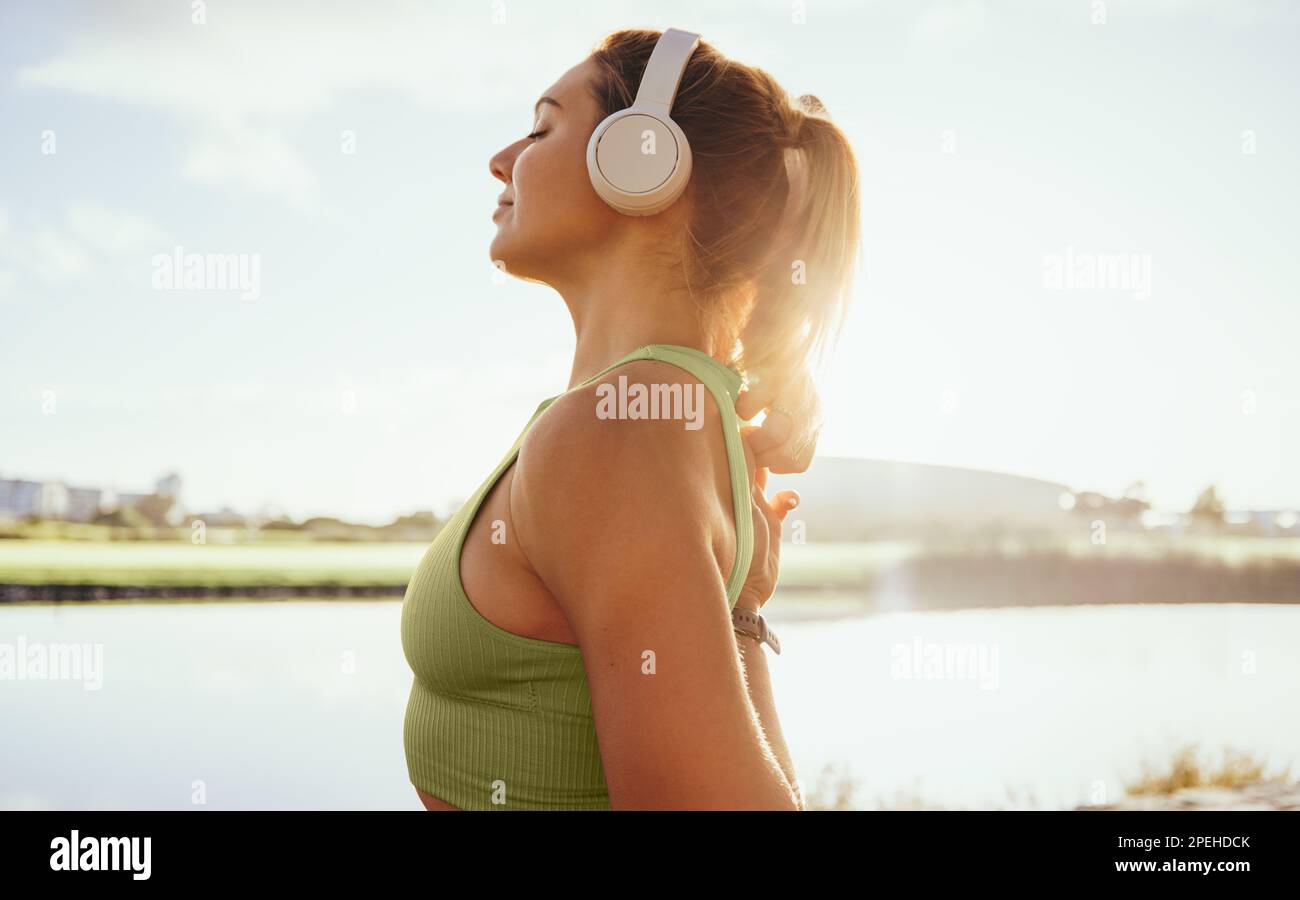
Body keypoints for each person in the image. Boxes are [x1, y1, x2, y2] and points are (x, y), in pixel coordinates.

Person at [400, 27, 861, 810]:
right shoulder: (652, 414)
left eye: (543, 127)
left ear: (642, 157)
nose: (502, 159)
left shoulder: (618, 432)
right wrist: (742, 616)